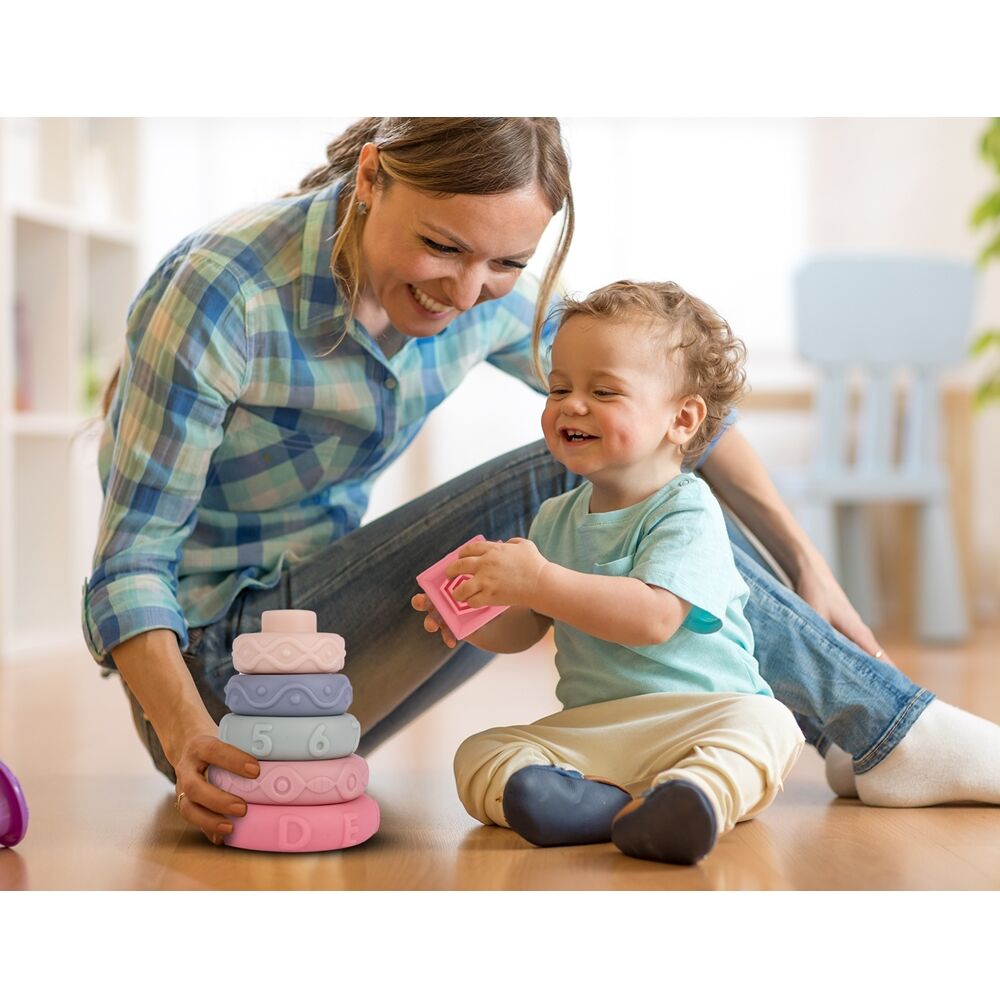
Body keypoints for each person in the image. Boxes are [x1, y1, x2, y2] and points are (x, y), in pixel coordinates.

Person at [84, 117, 1000, 849]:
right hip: (218, 689)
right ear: (370, 178)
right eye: (442, 246)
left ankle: (828, 731)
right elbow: (130, 563)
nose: (464, 293)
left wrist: (808, 566)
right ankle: (887, 734)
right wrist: (187, 732)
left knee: (626, 436)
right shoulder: (227, 289)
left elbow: (677, 407)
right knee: (573, 457)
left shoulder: (484, 295)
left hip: (324, 684)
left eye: (506, 265)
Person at [416, 280, 805, 864]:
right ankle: (593, 805)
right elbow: (528, 627)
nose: (572, 405)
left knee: (768, 724)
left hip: (699, 718)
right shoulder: (555, 517)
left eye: (603, 391)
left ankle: (694, 796)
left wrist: (538, 580)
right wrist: (475, 616)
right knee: (479, 752)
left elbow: (653, 618)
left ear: (682, 419)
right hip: (595, 729)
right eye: (559, 388)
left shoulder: (688, 509)